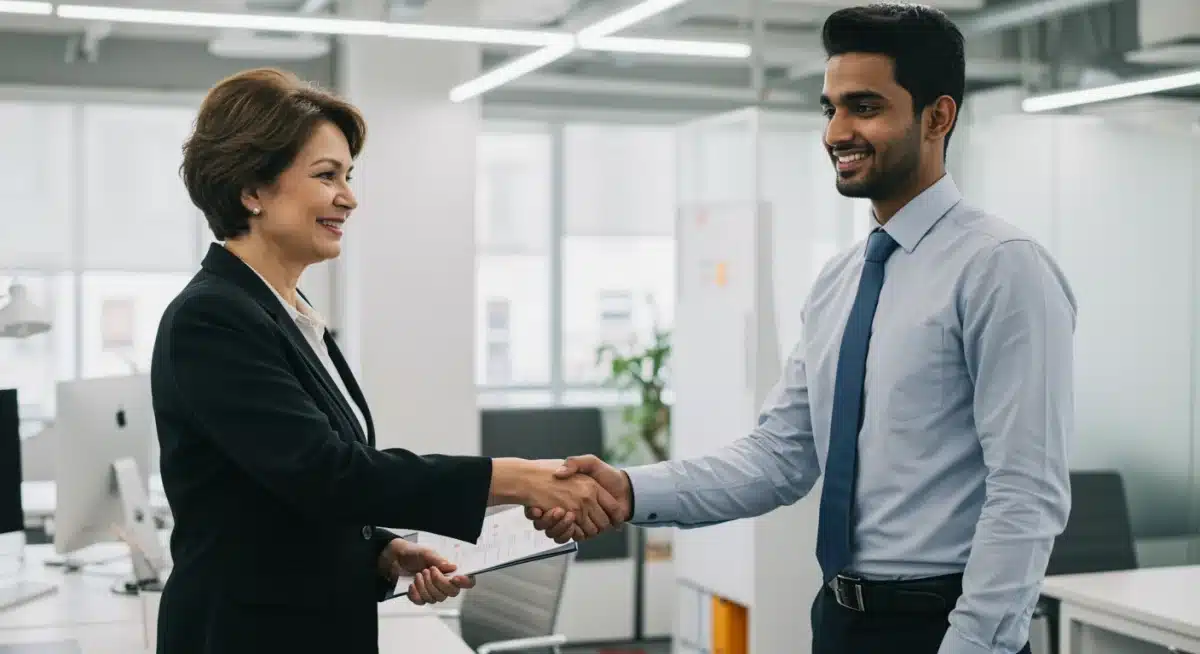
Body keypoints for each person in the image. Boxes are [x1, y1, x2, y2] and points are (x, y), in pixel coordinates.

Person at [529, 4, 1076, 654]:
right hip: (839, 619)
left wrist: (970, 646)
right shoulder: (840, 280)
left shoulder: (1001, 268)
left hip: (943, 627)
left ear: (938, 117)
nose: (837, 131)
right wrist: (628, 489)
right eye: (830, 108)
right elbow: (778, 458)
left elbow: (1027, 492)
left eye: (865, 107)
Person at [150, 68, 621, 654]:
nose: (348, 197)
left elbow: (283, 496)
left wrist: (379, 551)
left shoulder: (285, 312)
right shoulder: (213, 319)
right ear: (252, 189)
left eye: (348, 176)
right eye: (326, 176)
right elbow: (326, 471)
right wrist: (517, 479)